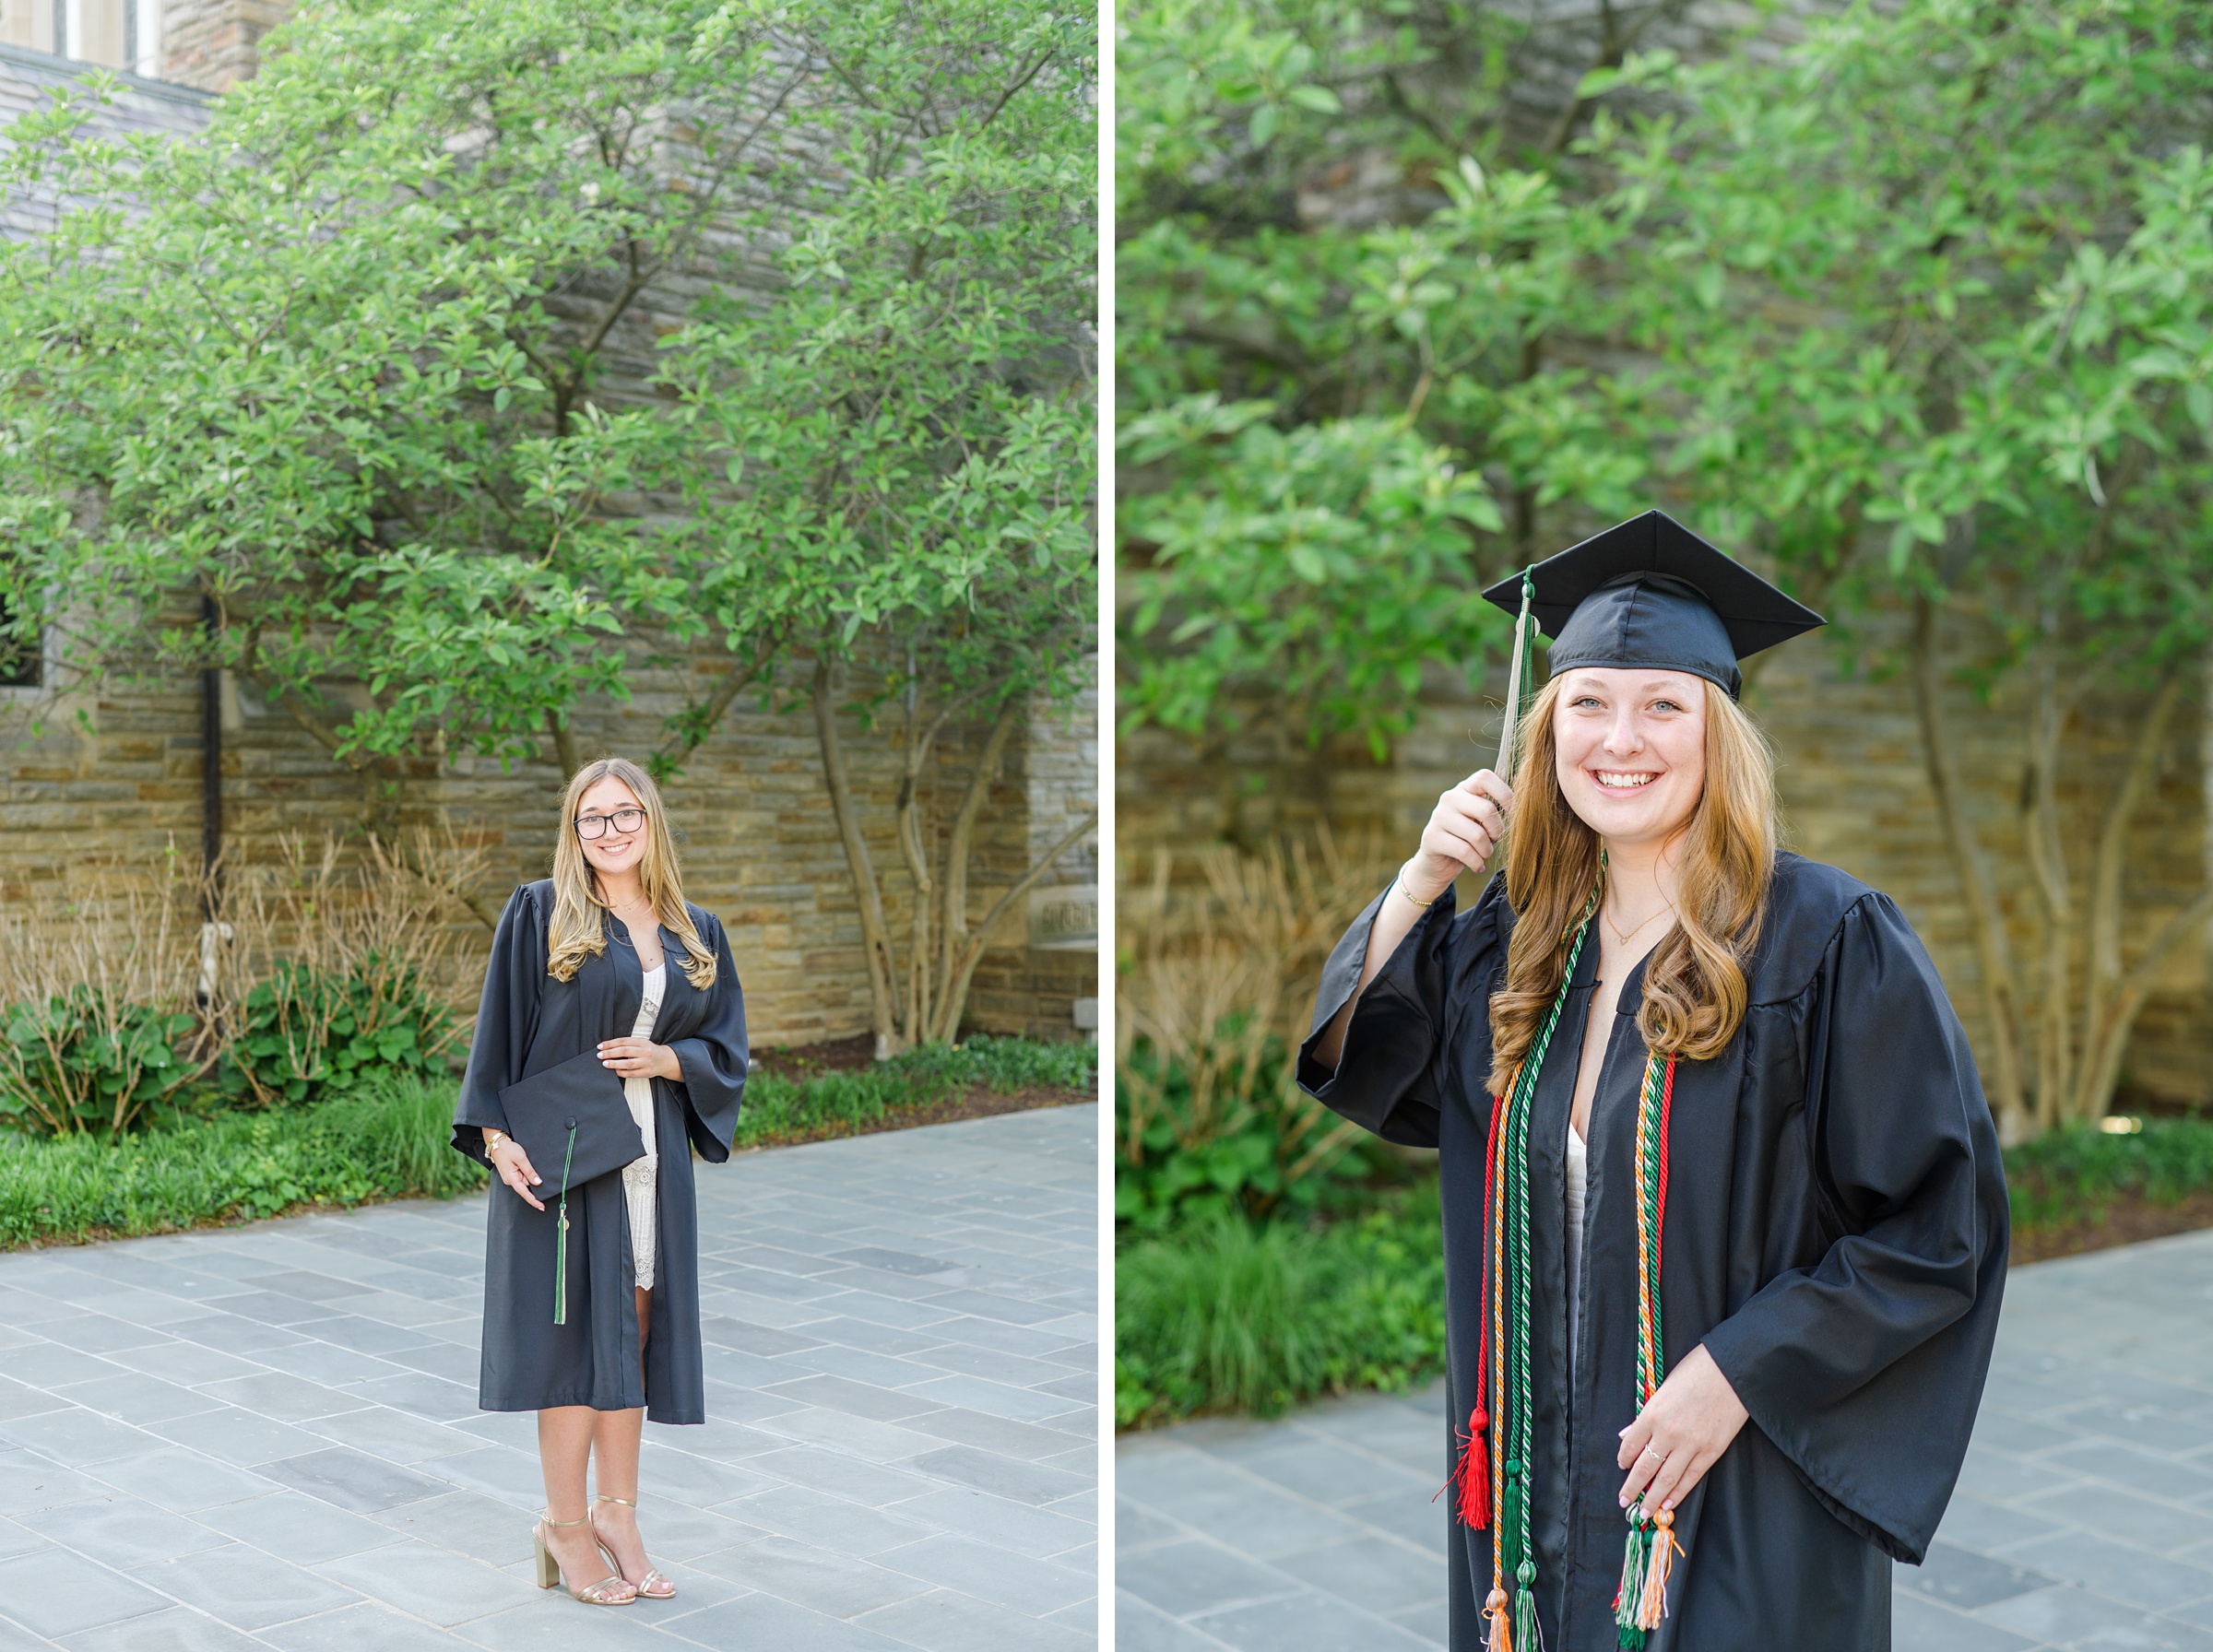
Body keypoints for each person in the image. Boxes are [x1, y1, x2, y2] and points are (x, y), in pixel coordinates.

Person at [1300, 511, 2006, 1652]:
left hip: (1734, 1476)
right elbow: (1368, 1059)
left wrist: (1737, 1369)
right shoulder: (1517, 943)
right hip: (1529, 1499)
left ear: (1716, 731)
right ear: (1548, 731)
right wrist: (1426, 872)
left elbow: (1936, 1229)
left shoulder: (1825, 941)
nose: (1620, 739)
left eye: (1662, 705)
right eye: (1589, 703)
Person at [453, 755, 749, 1606]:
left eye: (626, 815)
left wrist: (671, 1059)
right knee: (575, 1341)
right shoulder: (543, 912)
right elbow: (498, 1032)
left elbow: (726, 1049)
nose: (611, 831)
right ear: (573, 831)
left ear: (651, 821)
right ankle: (565, 1526)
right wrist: (494, 1134)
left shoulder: (697, 930)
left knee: (634, 1329)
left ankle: (619, 1514)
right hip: (571, 1153)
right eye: (593, 818)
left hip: (654, 1154)